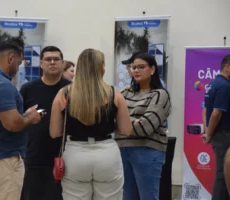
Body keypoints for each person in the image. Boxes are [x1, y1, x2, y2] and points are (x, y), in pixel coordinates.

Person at [50, 48, 132, 200]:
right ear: (101, 67)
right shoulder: (115, 94)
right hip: (107, 154)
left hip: (75, 155)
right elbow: (126, 130)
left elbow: (55, 132)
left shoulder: (64, 94)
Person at [0, 40, 43, 200]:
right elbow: (12, 124)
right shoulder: (2, 85)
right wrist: (30, 118)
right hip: (5, 158)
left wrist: (23, 116)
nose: (19, 68)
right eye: (19, 63)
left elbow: (3, 118)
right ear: (11, 58)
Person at [116, 53, 171, 200]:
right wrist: (133, 120)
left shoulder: (160, 95)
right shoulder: (125, 92)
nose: (136, 70)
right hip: (122, 150)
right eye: (133, 67)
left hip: (147, 151)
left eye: (141, 67)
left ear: (152, 69)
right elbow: (110, 119)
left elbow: (146, 127)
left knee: (148, 197)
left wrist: (122, 121)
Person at [20, 46, 71, 200]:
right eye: (48, 59)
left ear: (62, 63)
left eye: (56, 59)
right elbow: (19, 120)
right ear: (41, 63)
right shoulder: (28, 89)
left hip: (65, 155)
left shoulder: (71, 89)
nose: (52, 62)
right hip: (35, 155)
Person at [202, 55, 230, 200]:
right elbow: (216, 113)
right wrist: (210, 134)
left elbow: (206, 110)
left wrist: (208, 132)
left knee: (224, 174)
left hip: (219, 135)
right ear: (228, 67)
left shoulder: (213, 84)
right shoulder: (225, 86)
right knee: (223, 175)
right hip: (224, 135)